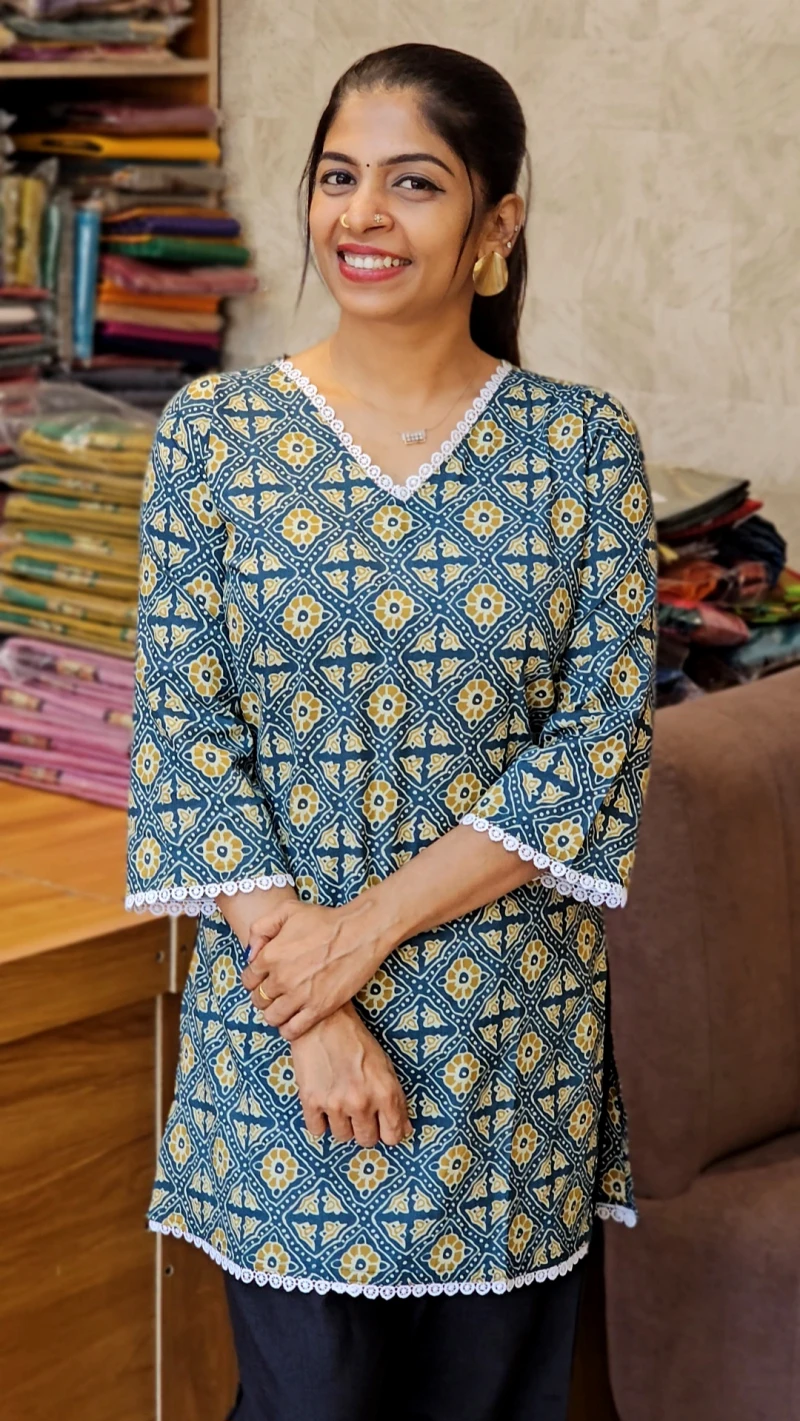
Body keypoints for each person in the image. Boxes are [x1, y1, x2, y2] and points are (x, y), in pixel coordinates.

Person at [126, 41, 658, 1421]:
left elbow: (596, 745)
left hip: (507, 1045)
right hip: (284, 1043)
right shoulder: (213, 435)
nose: (362, 215)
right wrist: (316, 1007)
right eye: (337, 177)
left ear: (495, 225)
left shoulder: (582, 448)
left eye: (413, 183)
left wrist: (358, 938)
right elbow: (185, 733)